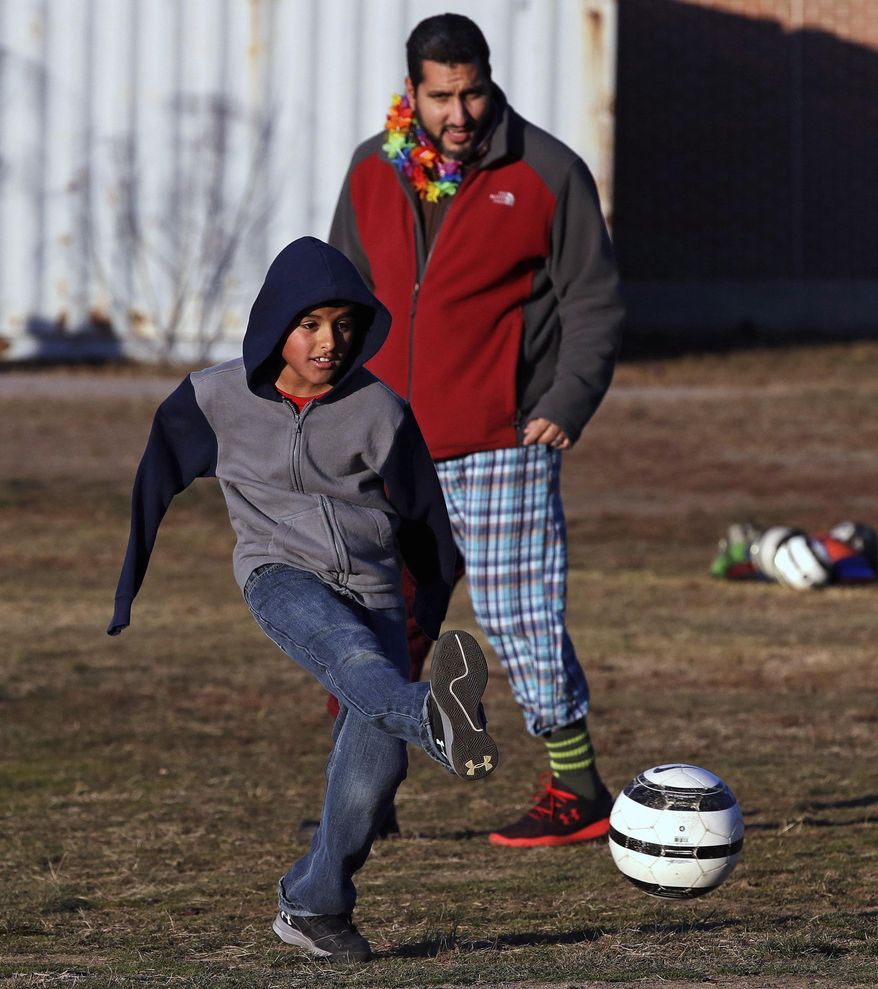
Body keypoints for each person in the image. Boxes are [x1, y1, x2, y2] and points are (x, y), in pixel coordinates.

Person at [106, 236, 499, 963]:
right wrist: (128, 589)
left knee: (376, 769)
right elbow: (153, 479)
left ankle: (315, 902)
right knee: (355, 662)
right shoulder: (213, 397)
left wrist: (427, 612)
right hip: (279, 573)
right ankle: (433, 715)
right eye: (310, 323)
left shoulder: (379, 408)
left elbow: (423, 522)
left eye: (344, 324)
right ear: (276, 324)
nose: (329, 341)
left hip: (375, 586)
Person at [329, 13, 625, 847]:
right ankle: (368, 788)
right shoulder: (370, 170)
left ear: (490, 81)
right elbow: (338, 294)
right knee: (379, 617)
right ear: (412, 93)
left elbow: (593, 303)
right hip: (385, 442)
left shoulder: (546, 172)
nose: (460, 113)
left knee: (518, 612)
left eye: (473, 92)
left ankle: (578, 786)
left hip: (503, 440)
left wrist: (565, 403)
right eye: (441, 96)